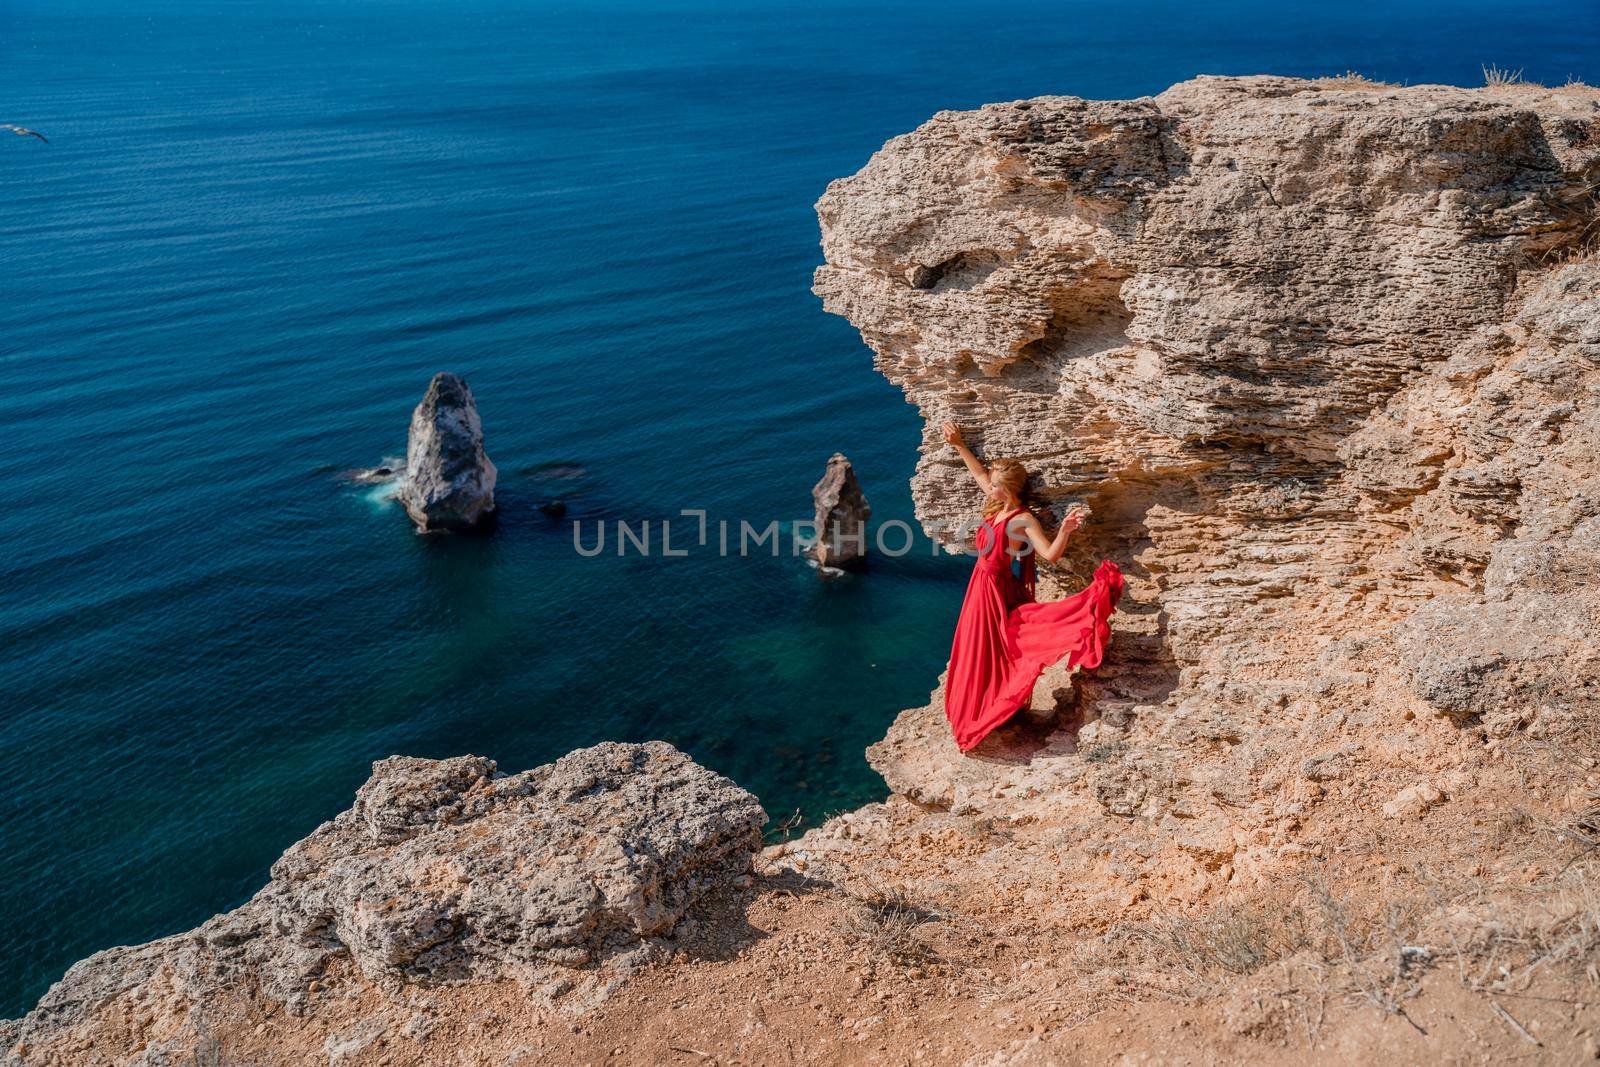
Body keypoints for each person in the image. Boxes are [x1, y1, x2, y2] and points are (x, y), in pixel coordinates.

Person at [940, 420, 1124, 751]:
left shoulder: (1023, 519)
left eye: (995, 484)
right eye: (992, 483)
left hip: (995, 589)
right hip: (979, 587)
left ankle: (990, 709)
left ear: (1008, 489)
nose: (989, 487)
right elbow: (979, 474)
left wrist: (1065, 530)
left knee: (994, 648)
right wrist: (958, 445)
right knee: (976, 648)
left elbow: (1050, 556)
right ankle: (980, 705)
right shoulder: (997, 506)